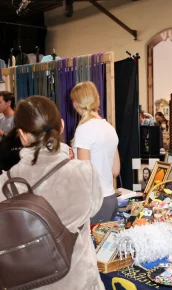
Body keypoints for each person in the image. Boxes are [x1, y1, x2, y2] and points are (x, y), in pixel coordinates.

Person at [0, 96, 105, 289]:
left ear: (22, 135)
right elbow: (95, 207)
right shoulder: (83, 173)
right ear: (62, 126)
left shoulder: (4, 184)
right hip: (79, 282)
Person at [71, 81, 120, 224]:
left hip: (94, 203)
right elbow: (115, 170)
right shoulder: (110, 128)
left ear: (76, 103)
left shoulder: (84, 129)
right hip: (110, 200)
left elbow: (84, 173)